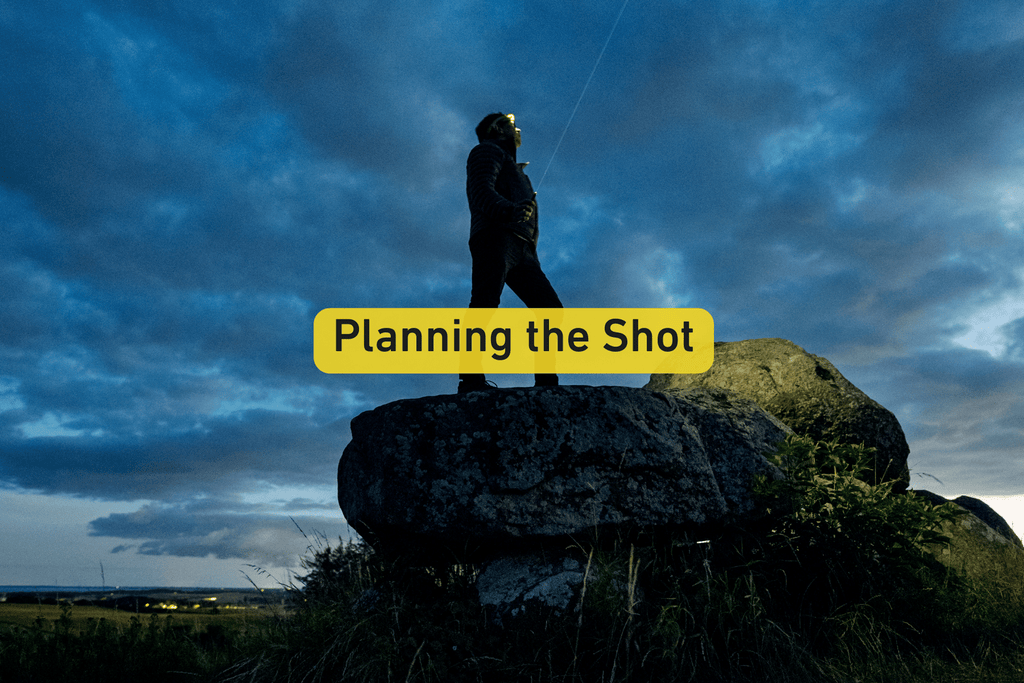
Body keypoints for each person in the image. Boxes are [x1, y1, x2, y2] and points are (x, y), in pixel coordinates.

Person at [459, 112, 563, 393]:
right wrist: (509, 210)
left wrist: (530, 247)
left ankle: (547, 384)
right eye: (511, 124)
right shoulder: (486, 151)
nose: (517, 129)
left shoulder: (516, 169)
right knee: (484, 303)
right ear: (496, 129)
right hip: (494, 236)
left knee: (550, 311)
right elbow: (479, 191)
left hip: (523, 249)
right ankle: (470, 381)